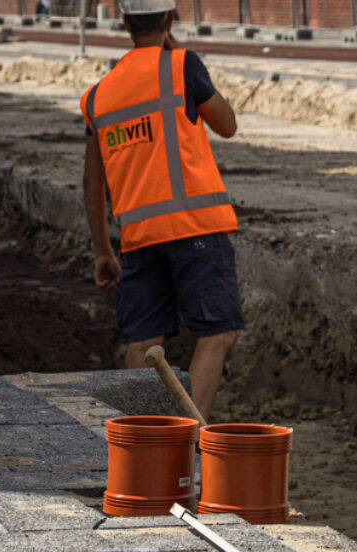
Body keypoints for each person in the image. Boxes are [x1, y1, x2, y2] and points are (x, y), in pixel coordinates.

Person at [81, 0, 242, 417]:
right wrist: (175, 52)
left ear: (124, 23)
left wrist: (103, 251)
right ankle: (189, 435)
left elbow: (91, 182)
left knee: (143, 342)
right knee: (217, 333)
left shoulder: (99, 96)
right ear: (169, 20)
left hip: (138, 239)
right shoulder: (182, 66)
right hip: (197, 229)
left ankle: (150, 442)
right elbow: (227, 124)